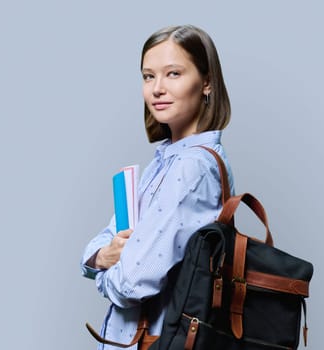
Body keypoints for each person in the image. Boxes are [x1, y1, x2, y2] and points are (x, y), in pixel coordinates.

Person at [81, 24, 235, 350]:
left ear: (206, 83)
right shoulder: (163, 162)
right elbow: (99, 245)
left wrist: (103, 271)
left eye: (173, 73)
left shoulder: (192, 167)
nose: (157, 89)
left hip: (156, 342)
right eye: (148, 76)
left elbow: (133, 283)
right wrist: (101, 256)